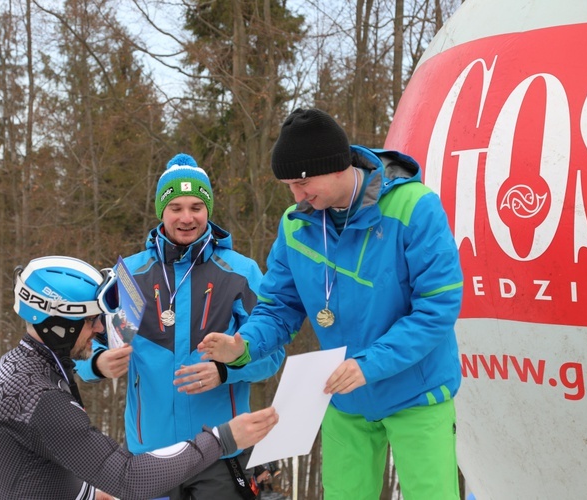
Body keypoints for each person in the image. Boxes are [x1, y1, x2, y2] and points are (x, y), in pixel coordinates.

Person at [198, 108, 464, 499]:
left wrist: (370, 363)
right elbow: (278, 307)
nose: (296, 196)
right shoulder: (297, 224)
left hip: (416, 393)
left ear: (337, 166)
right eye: (288, 185)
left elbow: (437, 308)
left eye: (303, 183)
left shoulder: (415, 208)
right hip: (344, 397)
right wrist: (244, 346)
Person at [0, 255, 278, 500]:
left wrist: (87, 493)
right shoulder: (43, 399)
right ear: (59, 325)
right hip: (163, 455)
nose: (99, 329)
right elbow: (128, 479)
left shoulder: (14, 370)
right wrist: (223, 438)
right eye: (90, 320)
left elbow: (16, 464)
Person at [75, 153, 285, 500]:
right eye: (176, 207)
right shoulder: (131, 275)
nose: (187, 217)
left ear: (208, 211)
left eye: (196, 207)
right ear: (161, 211)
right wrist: (97, 363)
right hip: (150, 453)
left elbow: (272, 353)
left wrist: (225, 369)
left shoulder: (240, 273)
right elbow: (86, 344)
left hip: (222, 449)